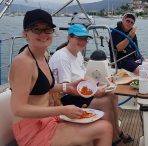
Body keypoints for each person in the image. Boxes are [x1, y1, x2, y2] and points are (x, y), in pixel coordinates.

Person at [9, 9, 112, 146]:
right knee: (105, 128)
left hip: (47, 120)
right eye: (36, 29)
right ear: (26, 34)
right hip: (32, 130)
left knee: (100, 121)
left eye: (47, 29)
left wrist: (68, 87)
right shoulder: (23, 62)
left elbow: (45, 87)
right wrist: (63, 110)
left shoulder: (43, 55)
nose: (43, 34)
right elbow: (18, 108)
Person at [49, 23, 133, 146]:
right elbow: (66, 89)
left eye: (85, 39)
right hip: (64, 99)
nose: (83, 42)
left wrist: (100, 83)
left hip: (77, 92)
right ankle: (114, 139)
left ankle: (117, 132)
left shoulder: (77, 53)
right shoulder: (62, 58)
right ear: (69, 38)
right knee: (104, 101)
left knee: (112, 95)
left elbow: (84, 76)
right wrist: (94, 91)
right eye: (79, 38)